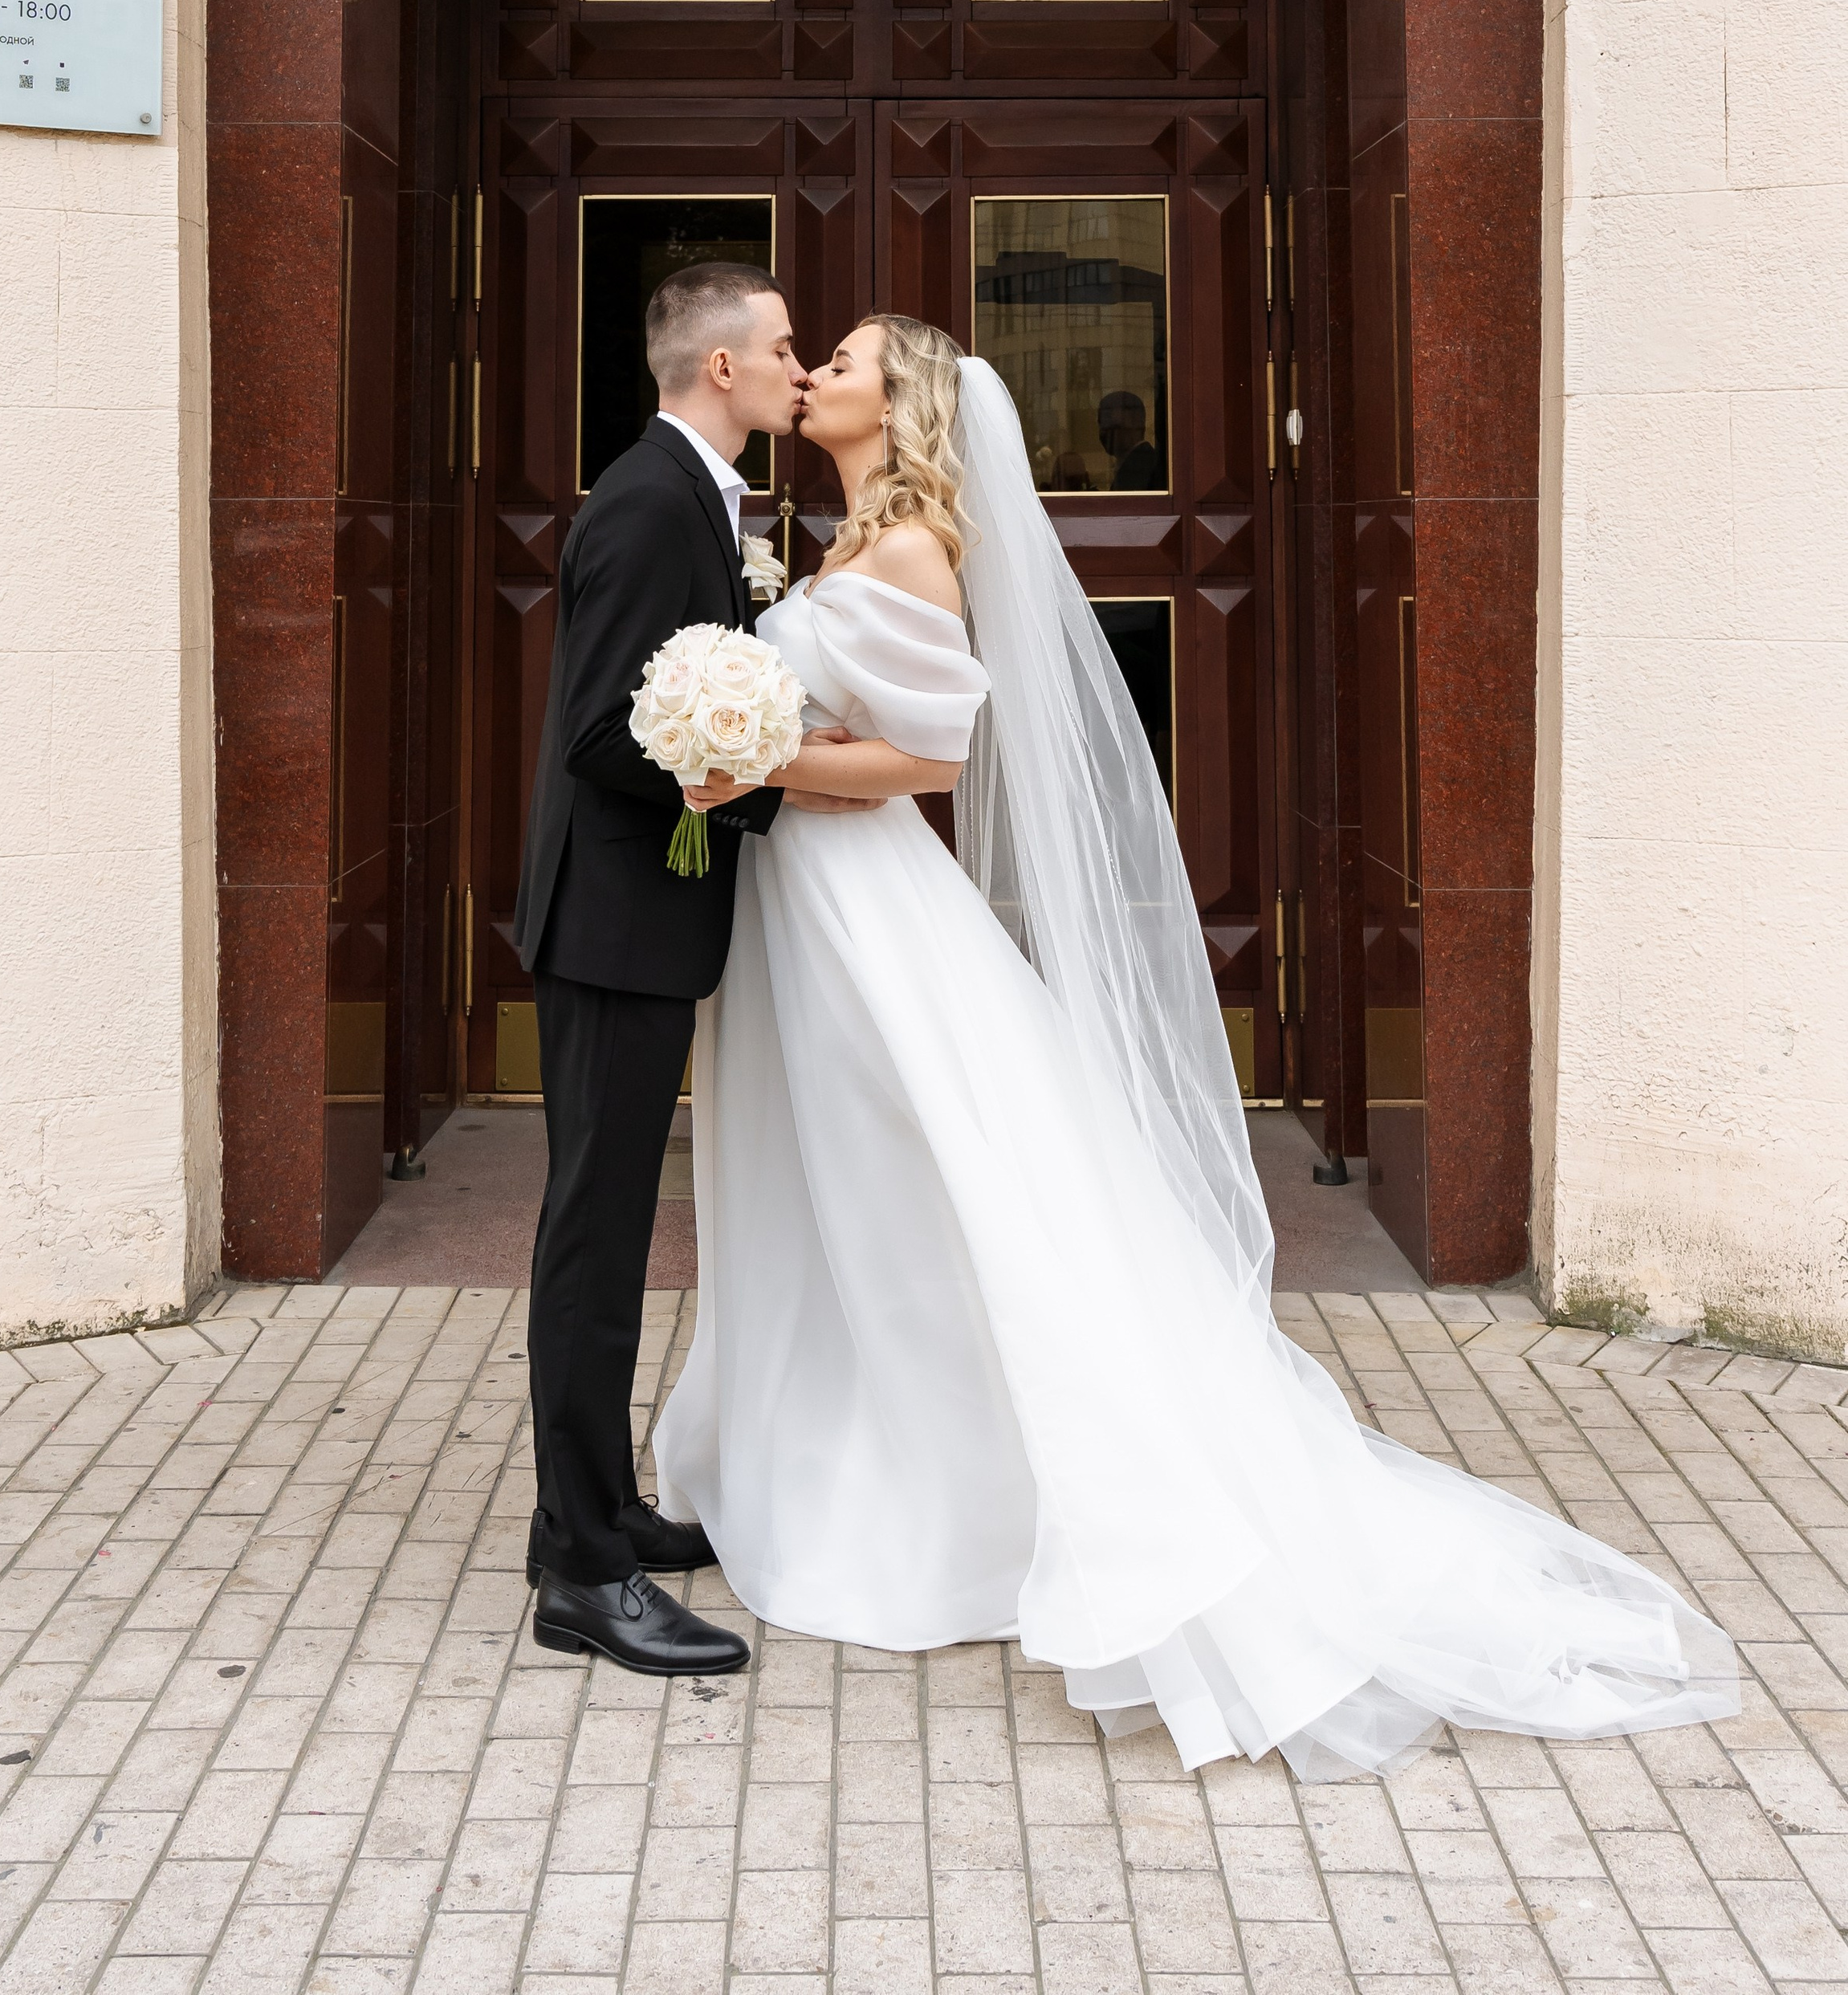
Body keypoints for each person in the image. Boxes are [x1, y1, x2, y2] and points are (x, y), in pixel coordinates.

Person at [652, 314, 1740, 1777]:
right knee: (845, 1189)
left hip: (867, 915)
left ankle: (959, 1500)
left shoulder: (909, 551)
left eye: (841, 360)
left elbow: (928, 761)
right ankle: (852, 1448)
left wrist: (748, 761)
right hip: (805, 908)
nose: (816, 373)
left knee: (920, 1195)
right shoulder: (840, 540)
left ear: (897, 403)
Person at [513, 261, 867, 1679]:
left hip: (636, 924)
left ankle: (602, 1513)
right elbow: (603, 733)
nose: (798, 368)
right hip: (610, 927)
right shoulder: (651, 502)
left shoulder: (694, 500)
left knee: (605, 1236)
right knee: (595, 1245)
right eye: (783, 348)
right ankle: (580, 1573)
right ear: (722, 367)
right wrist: (770, 768)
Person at [1097, 385, 1163, 488]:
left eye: (1113, 426)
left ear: (1137, 423)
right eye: (1102, 425)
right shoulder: (1140, 464)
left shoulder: (1140, 468)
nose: (1103, 433)